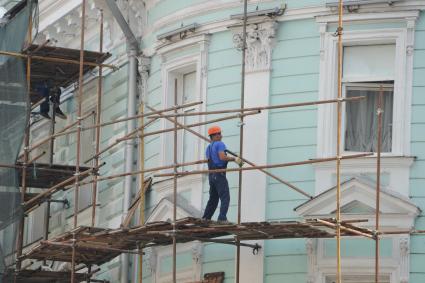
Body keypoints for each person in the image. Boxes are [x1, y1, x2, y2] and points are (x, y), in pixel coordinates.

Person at [202, 125, 243, 223]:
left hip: (211, 175)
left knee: (213, 198)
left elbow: (211, 160)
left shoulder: (208, 147)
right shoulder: (220, 144)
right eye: (219, 133)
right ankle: (222, 218)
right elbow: (222, 157)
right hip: (219, 174)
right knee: (225, 197)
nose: (221, 135)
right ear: (215, 135)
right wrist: (234, 159)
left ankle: (206, 218)